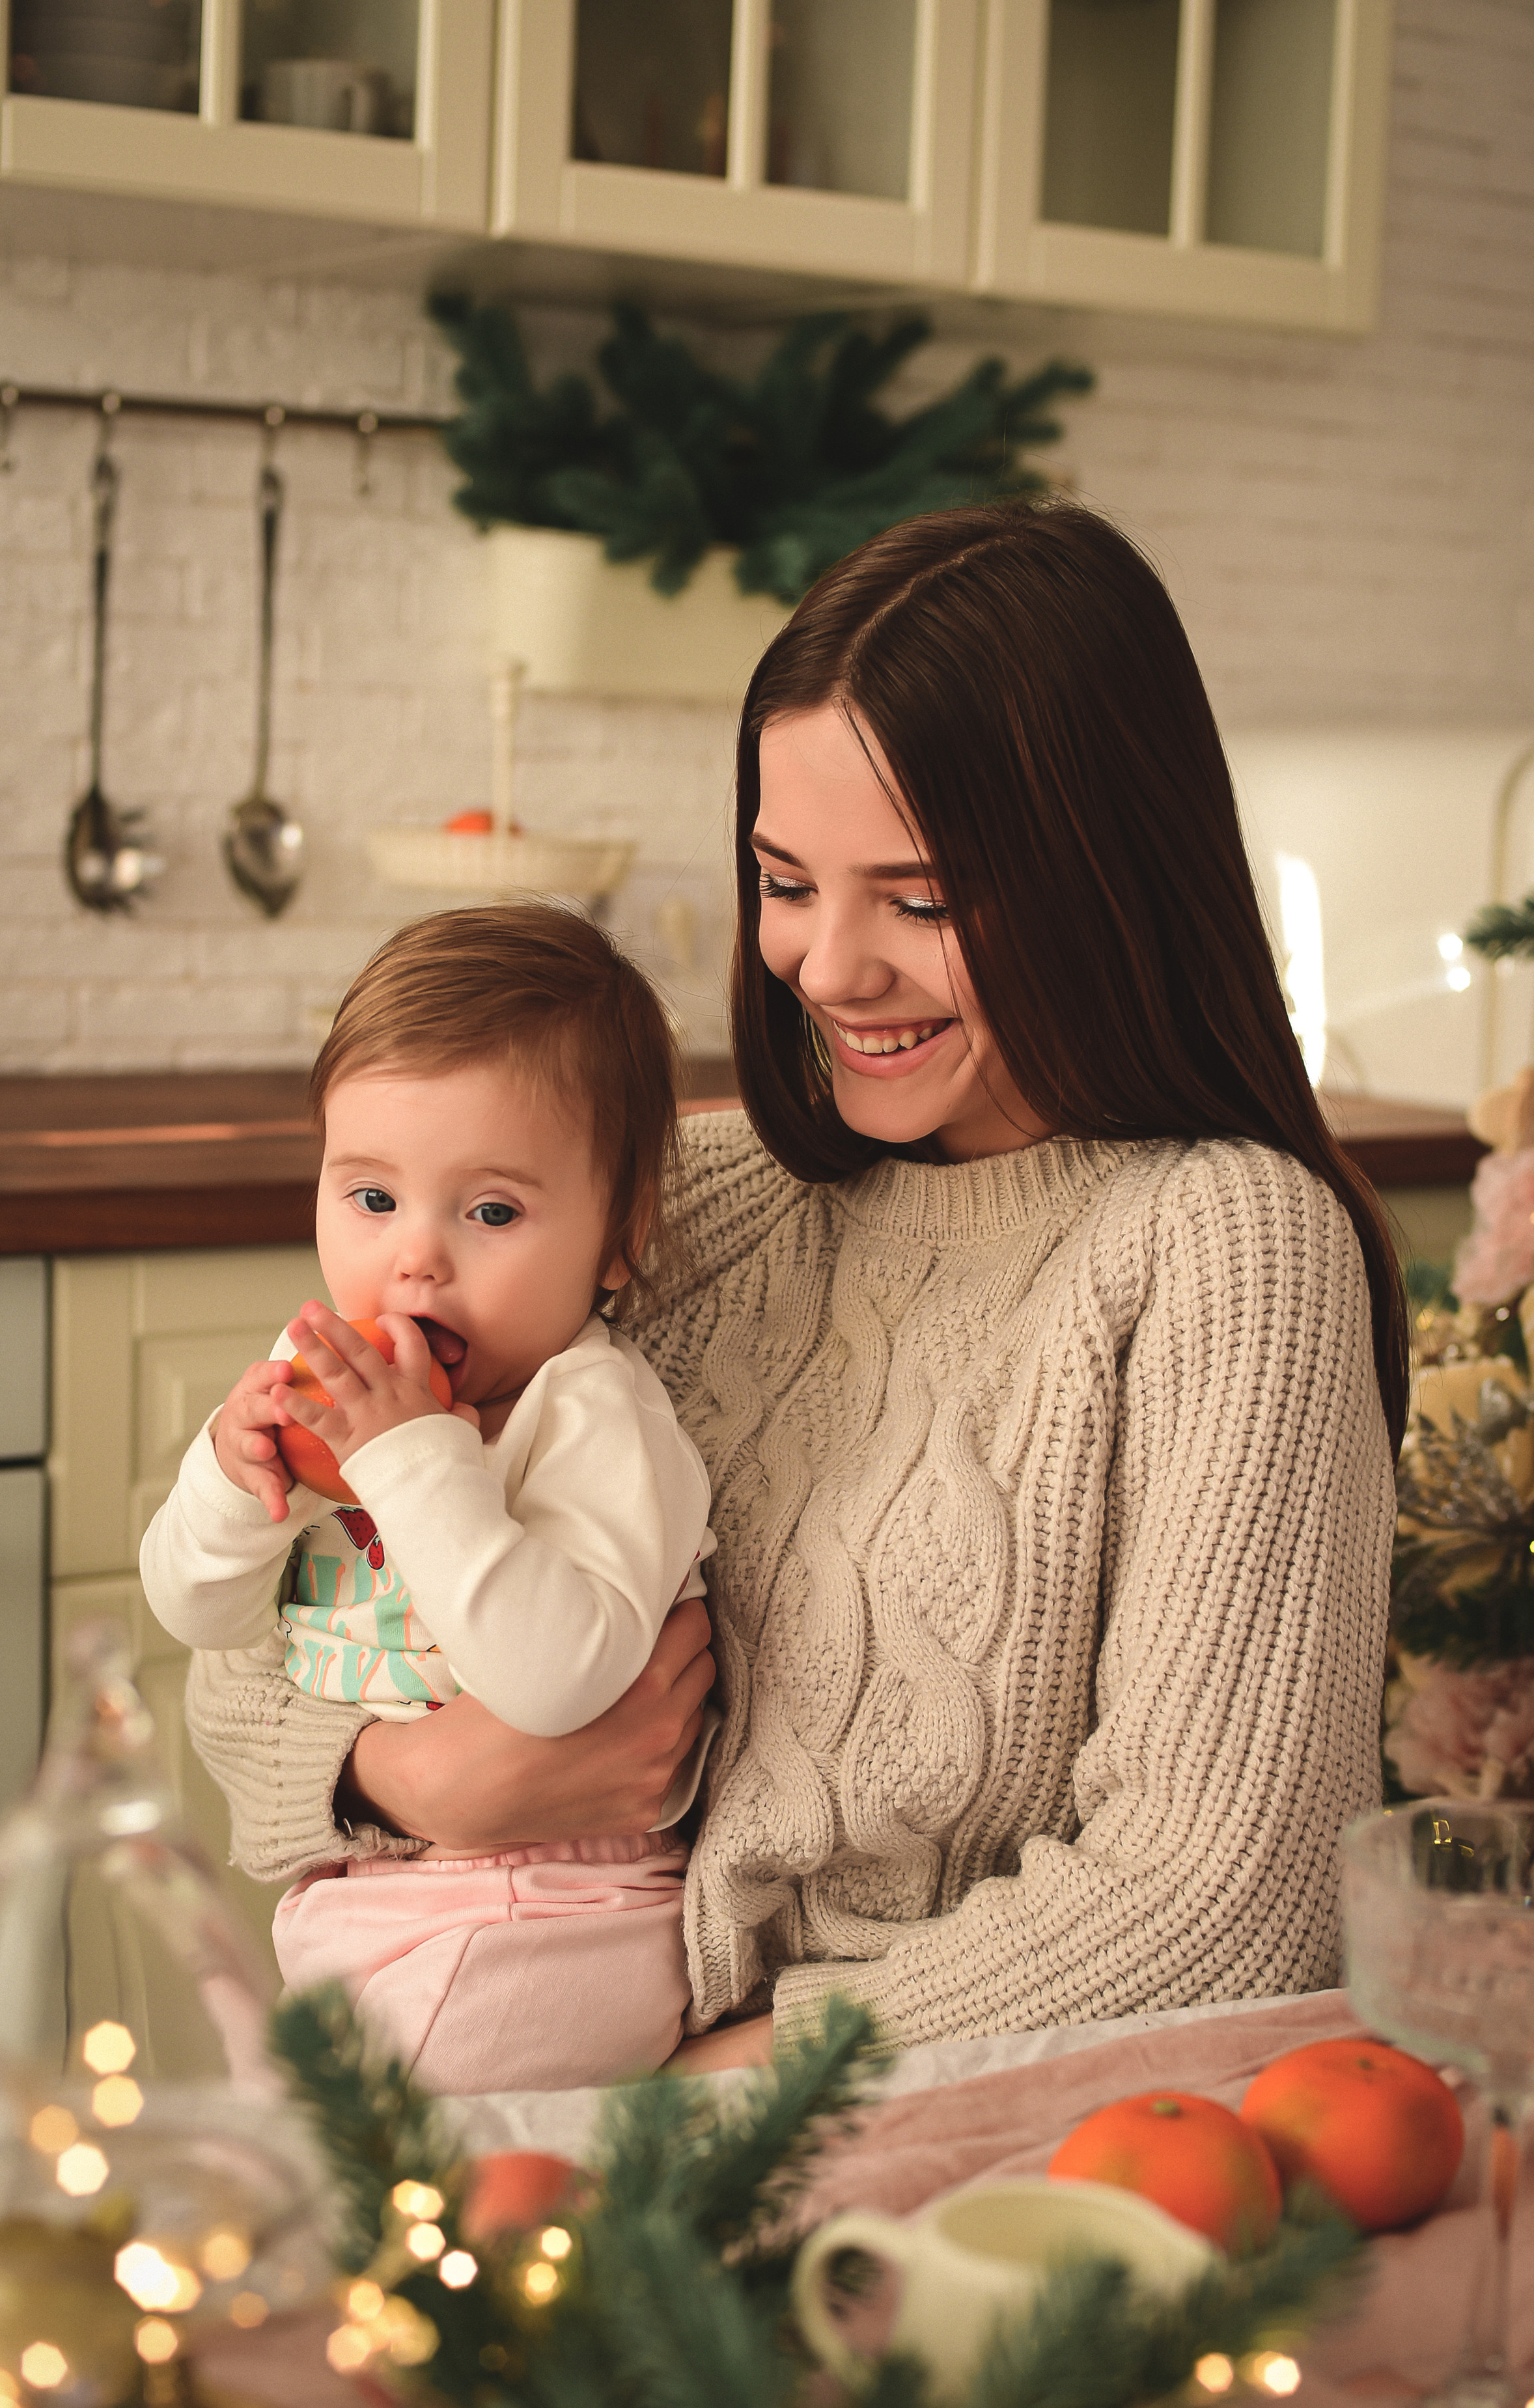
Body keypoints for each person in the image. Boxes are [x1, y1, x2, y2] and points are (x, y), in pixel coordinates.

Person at [186, 501, 1405, 2075]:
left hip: (891, 2147)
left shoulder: (1225, 1248)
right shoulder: (664, 1204)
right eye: (784, 880)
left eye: (921, 900)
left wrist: (723, 2094)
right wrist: (409, 1781)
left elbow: (1222, 1897)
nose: (828, 968)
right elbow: (252, 1630)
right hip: (500, 2061)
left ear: (1109, 877)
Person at [144, 904, 716, 2090]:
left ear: (621, 1236)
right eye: (370, 1198)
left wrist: (410, 1461)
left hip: (558, 1915)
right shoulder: (329, 1387)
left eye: (492, 1211)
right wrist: (226, 1473)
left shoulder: (595, 1412)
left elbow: (561, 1678)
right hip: (363, 1894)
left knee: (354, 2149)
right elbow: (198, 1615)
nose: (416, 1259)